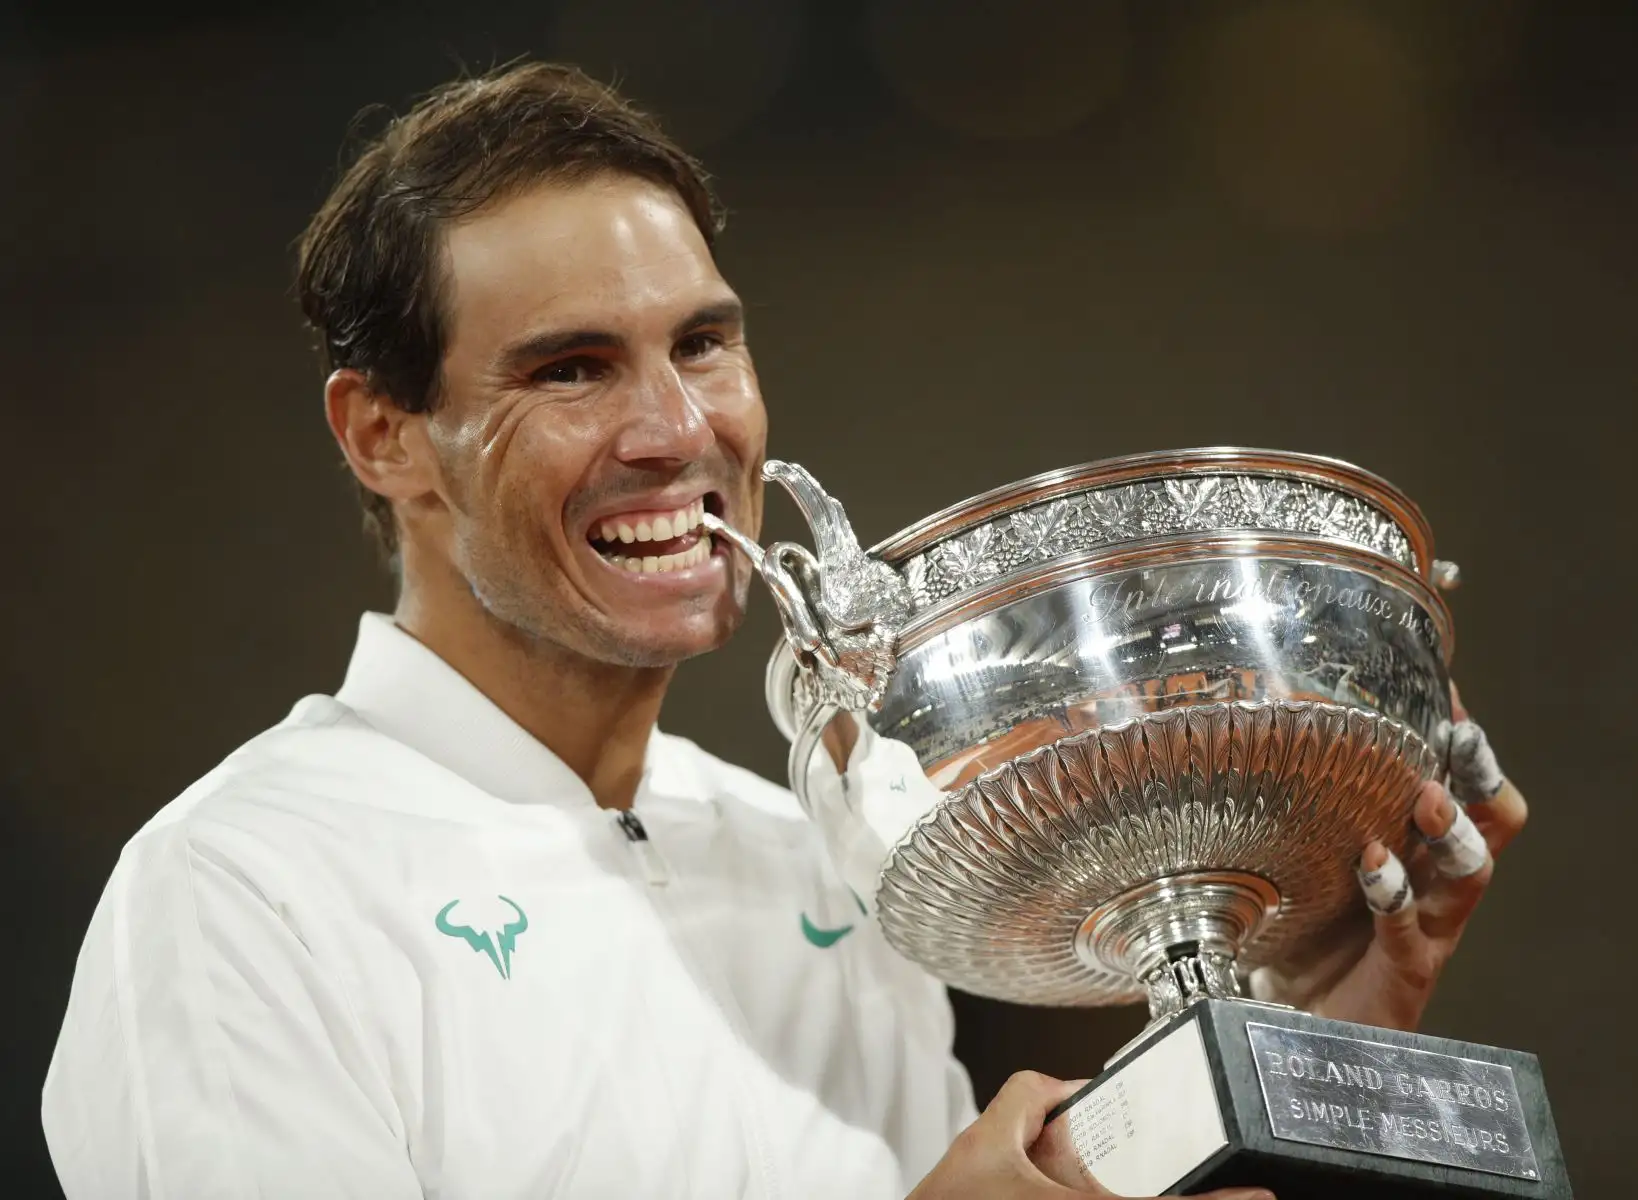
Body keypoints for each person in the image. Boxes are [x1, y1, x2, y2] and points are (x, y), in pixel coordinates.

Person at [41, 63, 1529, 1200]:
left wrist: (1297, 1046)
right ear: (384, 436)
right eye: (570, 370)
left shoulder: (826, 859)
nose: (676, 429)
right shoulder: (240, 897)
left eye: (702, 342)